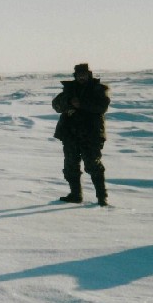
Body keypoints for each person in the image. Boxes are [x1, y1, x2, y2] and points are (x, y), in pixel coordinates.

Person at [52, 63, 111, 206]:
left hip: (91, 134)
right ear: (75, 76)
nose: (82, 77)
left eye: (84, 75)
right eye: (79, 75)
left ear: (89, 75)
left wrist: (81, 104)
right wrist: (68, 103)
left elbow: (102, 106)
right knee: (71, 166)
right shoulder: (69, 89)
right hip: (70, 134)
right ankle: (75, 195)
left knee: (93, 165)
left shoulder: (98, 89)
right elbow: (56, 105)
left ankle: (102, 198)